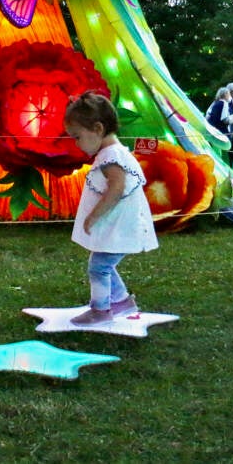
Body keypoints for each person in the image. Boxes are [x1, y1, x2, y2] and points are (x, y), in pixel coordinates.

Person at [63, 91, 158, 325]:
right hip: (119, 223)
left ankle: (101, 310)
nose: (76, 143)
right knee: (103, 263)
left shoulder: (111, 156)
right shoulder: (112, 152)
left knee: (99, 266)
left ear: (97, 129)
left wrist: (93, 217)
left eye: (77, 137)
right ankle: (121, 300)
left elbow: (116, 188)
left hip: (120, 225)